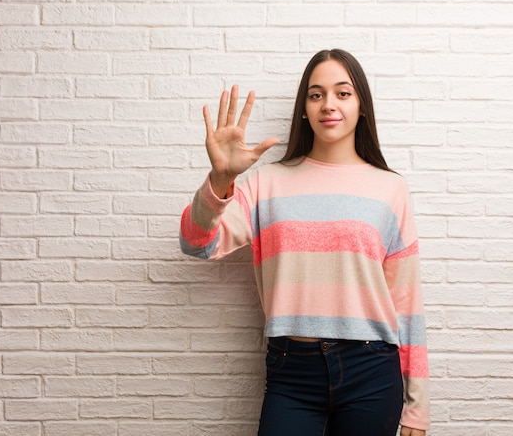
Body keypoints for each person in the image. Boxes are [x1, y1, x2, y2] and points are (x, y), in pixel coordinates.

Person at [179, 49, 430, 435]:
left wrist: (417, 407)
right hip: (291, 371)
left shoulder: (390, 188)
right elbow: (197, 243)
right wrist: (219, 180)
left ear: (362, 105)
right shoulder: (267, 183)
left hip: (372, 370)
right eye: (316, 94)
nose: (328, 104)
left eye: (343, 93)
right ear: (304, 108)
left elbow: (406, 303)